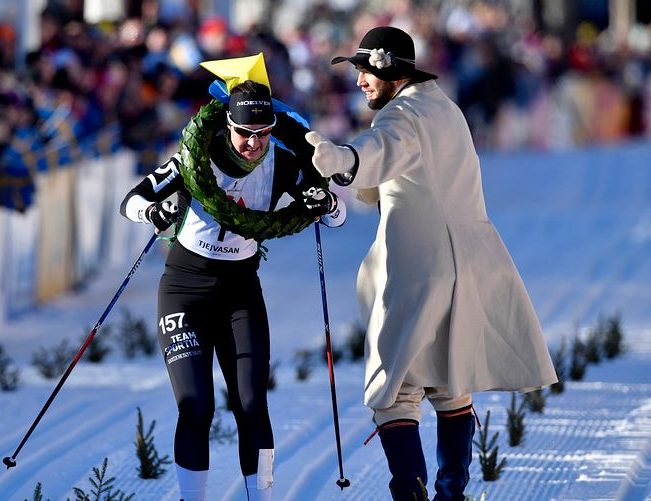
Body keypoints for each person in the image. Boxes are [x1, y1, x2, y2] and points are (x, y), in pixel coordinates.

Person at [305, 26, 558, 501]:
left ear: (390, 71)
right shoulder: (444, 107)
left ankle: (413, 494)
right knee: (449, 383)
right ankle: (449, 494)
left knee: (395, 389)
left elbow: (377, 154)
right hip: (469, 260)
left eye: (363, 70)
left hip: (420, 268)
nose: (358, 80)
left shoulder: (401, 115)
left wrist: (338, 157)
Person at [120, 54, 345, 501]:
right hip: (185, 288)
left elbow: (334, 217)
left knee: (250, 404)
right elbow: (132, 199)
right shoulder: (195, 155)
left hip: (240, 290)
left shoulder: (280, 164)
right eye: (245, 133)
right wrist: (154, 211)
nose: (253, 144)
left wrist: (326, 203)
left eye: (263, 134)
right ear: (226, 125)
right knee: (196, 406)